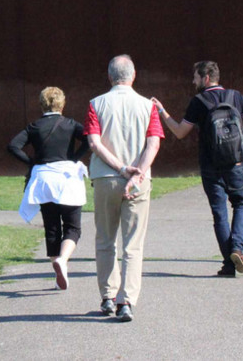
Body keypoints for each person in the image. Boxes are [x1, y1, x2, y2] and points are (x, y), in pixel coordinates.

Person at [151, 60, 243, 277]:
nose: (193, 80)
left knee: (220, 213)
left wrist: (162, 111)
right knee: (241, 203)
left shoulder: (198, 101)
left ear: (206, 78)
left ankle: (229, 264)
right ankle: (237, 249)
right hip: (236, 164)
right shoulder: (236, 96)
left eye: (195, 77)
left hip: (211, 166)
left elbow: (179, 132)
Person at [85, 55, 163, 322]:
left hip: (106, 177)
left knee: (105, 239)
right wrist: (136, 173)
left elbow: (94, 143)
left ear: (109, 76)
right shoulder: (147, 106)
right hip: (138, 181)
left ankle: (107, 296)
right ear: (134, 75)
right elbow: (153, 143)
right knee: (133, 245)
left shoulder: (96, 104)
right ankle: (126, 300)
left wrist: (119, 168)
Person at [8, 86, 90, 291]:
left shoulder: (34, 126)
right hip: (67, 178)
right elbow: (89, 139)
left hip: (44, 180)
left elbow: (13, 146)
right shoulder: (71, 124)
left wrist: (32, 162)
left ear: (42, 104)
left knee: (52, 228)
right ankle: (63, 259)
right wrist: (74, 158)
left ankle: (58, 273)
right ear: (62, 103)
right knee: (73, 227)